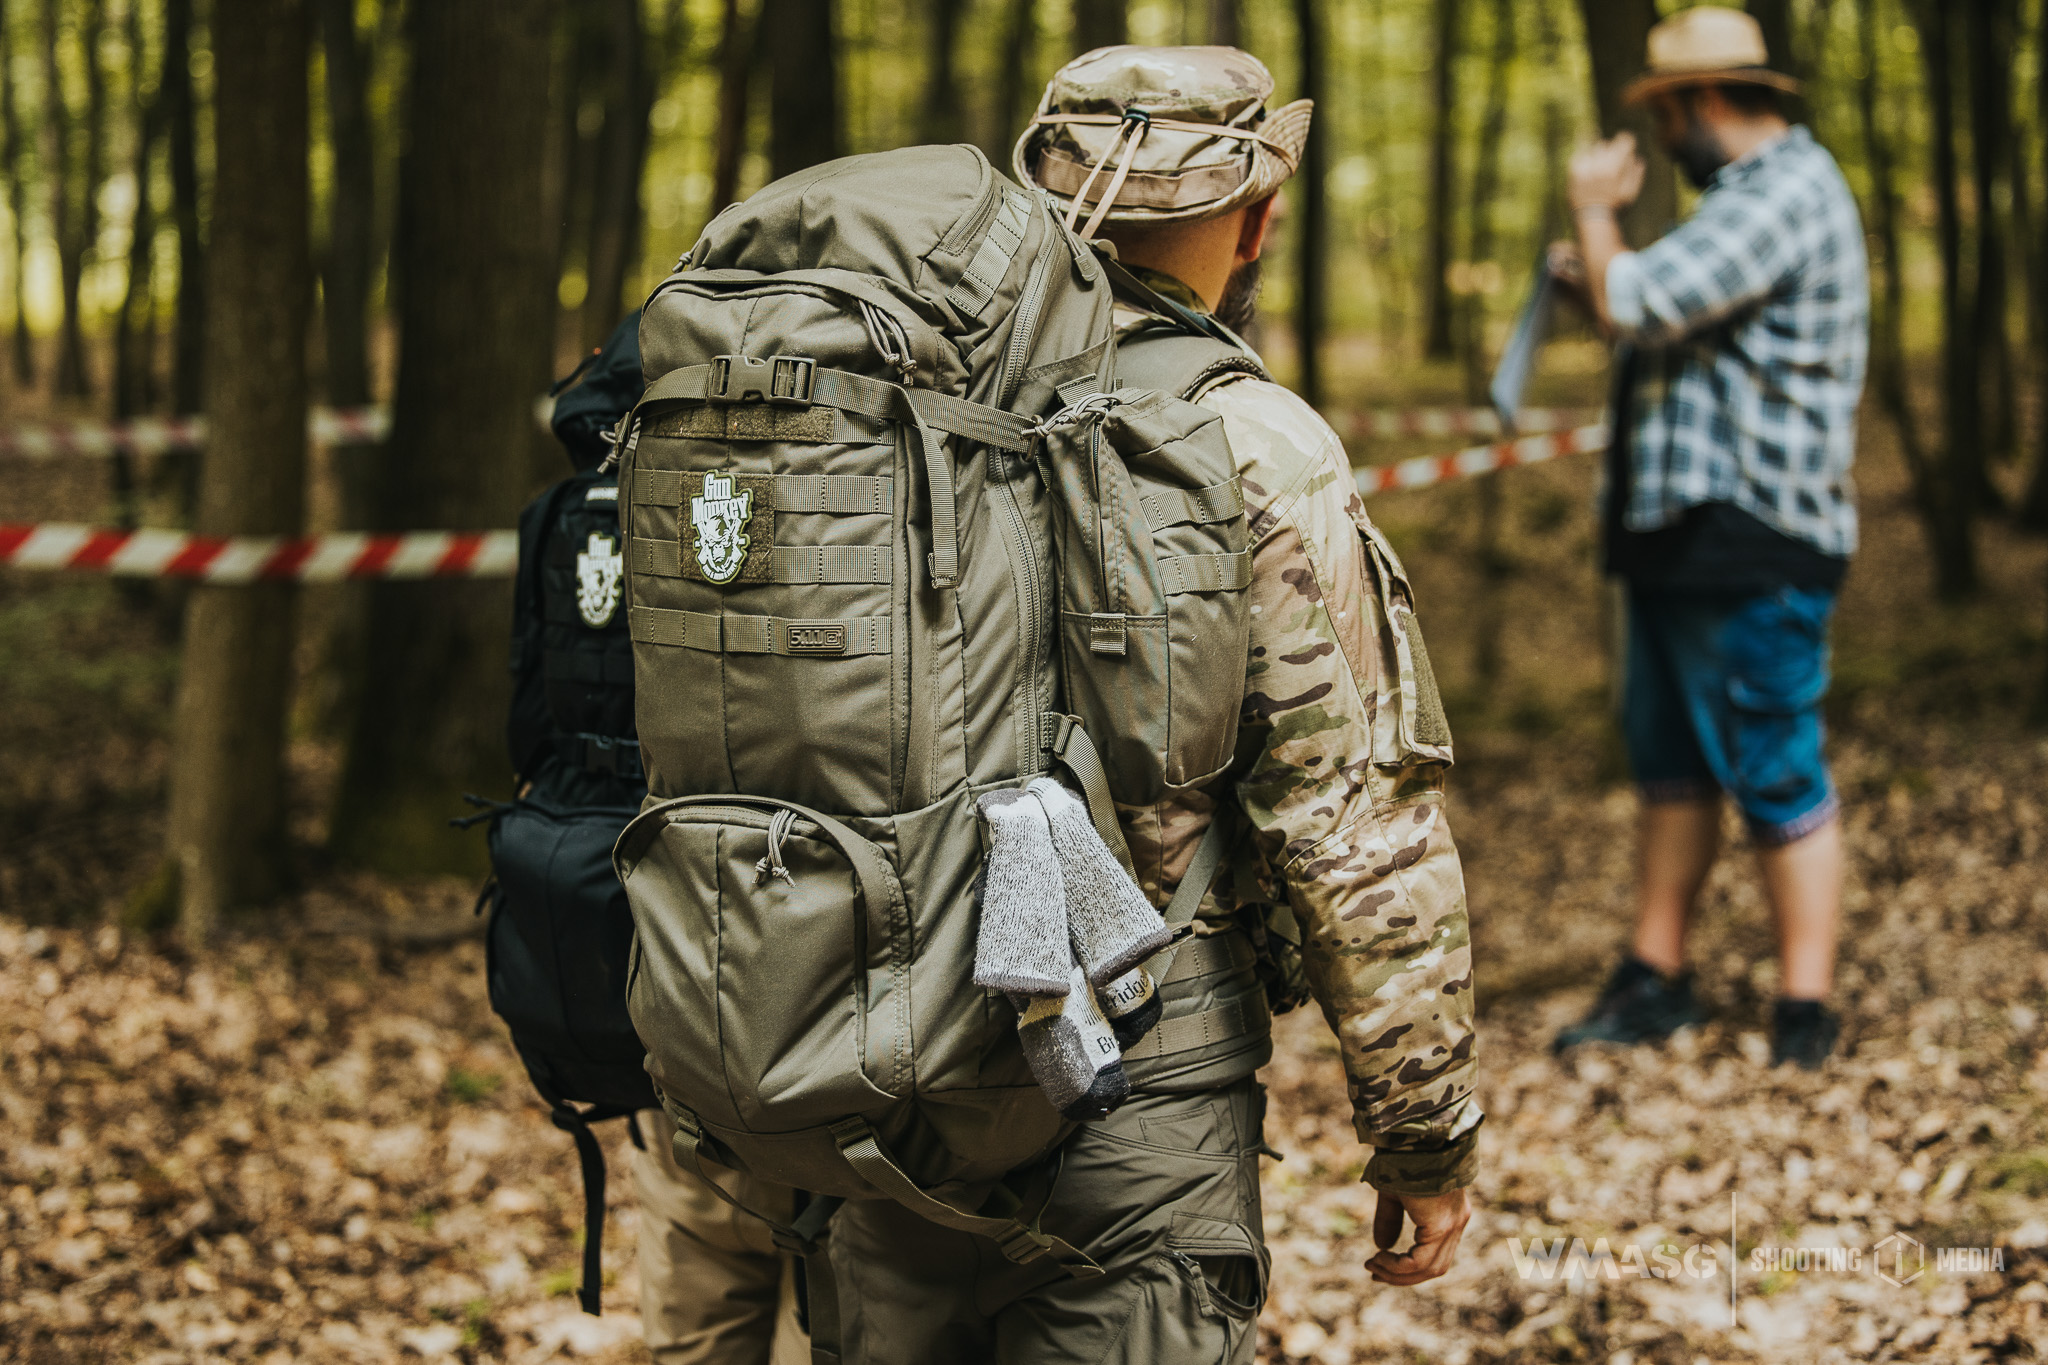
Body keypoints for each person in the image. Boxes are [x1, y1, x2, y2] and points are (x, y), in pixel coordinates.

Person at [823, 46, 1481, 1362]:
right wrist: (1424, 1125)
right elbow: (1347, 821)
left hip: (876, 1054)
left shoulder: (891, 402)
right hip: (1135, 1065)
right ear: (1258, 217)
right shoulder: (1252, 441)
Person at [1546, 6, 1867, 1069]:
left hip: (1754, 536)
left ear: (1705, 98)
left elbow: (1641, 302)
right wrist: (1589, 279)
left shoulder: (1783, 192)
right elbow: (1659, 322)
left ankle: (1805, 1010)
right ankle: (1657, 976)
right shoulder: (1740, 200)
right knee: (1672, 763)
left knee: (1774, 763)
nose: (1661, 133)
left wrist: (1596, 214)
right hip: (1685, 534)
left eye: (1666, 111)